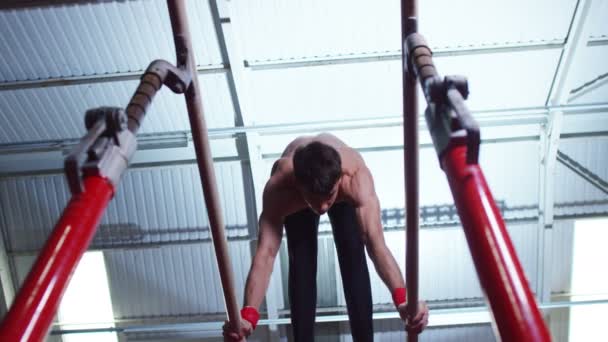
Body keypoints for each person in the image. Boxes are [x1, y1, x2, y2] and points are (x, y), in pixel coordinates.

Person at [223, 133, 429, 341]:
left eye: (328, 198)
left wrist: (403, 300)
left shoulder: (355, 178)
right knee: (302, 262)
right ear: (298, 184)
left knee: (353, 254)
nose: (322, 208)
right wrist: (248, 316)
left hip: (341, 193)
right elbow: (265, 254)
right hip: (299, 195)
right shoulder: (281, 188)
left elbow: (376, 245)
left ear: (339, 178)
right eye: (314, 200)